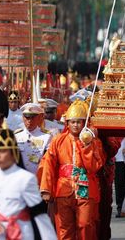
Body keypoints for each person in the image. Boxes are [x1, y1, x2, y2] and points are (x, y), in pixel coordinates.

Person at [40, 99, 106, 239]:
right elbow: (48, 165)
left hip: (85, 186)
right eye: (73, 122)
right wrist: (46, 189)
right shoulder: (58, 140)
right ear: (67, 123)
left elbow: (95, 166)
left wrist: (87, 146)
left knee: (85, 225)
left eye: (79, 121)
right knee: (64, 228)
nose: (76, 125)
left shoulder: (94, 142)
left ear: (84, 123)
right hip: (63, 189)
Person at [0, 129, 56, 240]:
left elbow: (39, 214)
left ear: (13, 153)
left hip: (21, 232)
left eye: (3, 151)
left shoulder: (26, 179)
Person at [14, 103, 52, 175]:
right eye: (27, 117)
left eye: (32, 117)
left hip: (37, 177)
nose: (29, 121)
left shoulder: (46, 137)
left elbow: (47, 162)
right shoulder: (16, 136)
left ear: (39, 117)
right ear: (23, 117)